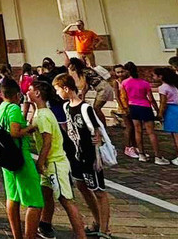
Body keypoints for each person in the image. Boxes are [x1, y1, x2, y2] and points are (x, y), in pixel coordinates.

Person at [53, 73, 112, 238]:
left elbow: (97, 128)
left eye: (58, 89)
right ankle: (97, 221)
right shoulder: (66, 107)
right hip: (76, 155)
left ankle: (104, 229)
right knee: (82, 186)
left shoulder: (85, 108)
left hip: (90, 156)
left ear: (66, 88)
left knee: (99, 191)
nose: (57, 93)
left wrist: (98, 139)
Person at [26, 80, 86, 239]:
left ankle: (81, 235)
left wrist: (40, 162)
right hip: (49, 163)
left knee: (66, 200)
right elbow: (32, 128)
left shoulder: (45, 114)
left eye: (30, 89)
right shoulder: (40, 112)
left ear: (37, 93)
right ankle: (45, 224)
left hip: (55, 162)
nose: (27, 91)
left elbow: (47, 141)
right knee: (46, 194)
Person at [0, 78, 43, 239]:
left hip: (6, 158)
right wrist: (31, 127)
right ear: (16, 95)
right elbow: (15, 132)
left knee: (12, 196)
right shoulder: (14, 108)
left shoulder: (0, 108)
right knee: (35, 201)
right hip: (20, 156)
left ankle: (17, 235)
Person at [121, 61, 168, 164]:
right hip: (145, 107)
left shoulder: (124, 83)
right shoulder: (144, 83)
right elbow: (150, 98)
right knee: (151, 132)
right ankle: (157, 156)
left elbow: (124, 97)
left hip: (133, 106)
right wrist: (157, 110)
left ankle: (141, 154)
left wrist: (126, 107)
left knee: (138, 131)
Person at [60, 53, 114, 126]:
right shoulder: (85, 70)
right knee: (96, 108)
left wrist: (83, 96)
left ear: (74, 65)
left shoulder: (84, 72)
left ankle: (103, 125)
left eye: (70, 65)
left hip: (103, 88)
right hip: (102, 88)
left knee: (96, 108)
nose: (69, 67)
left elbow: (85, 86)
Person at [154, 67, 178, 166]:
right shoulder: (174, 86)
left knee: (176, 135)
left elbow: (163, 102)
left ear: (160, 76)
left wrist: (160, 114)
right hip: (177, 108)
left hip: (171, 111)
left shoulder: (163, 87)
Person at [110, 64, 137, 158]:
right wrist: (122, 107)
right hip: (123, 106)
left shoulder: (128, 80)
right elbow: (117, 96)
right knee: (129, 127)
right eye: (118, 72)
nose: (120, 74)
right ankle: (127, 147)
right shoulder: (116, 82)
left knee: (134, 127)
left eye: (122, 71)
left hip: (131, 104)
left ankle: (134, 145)